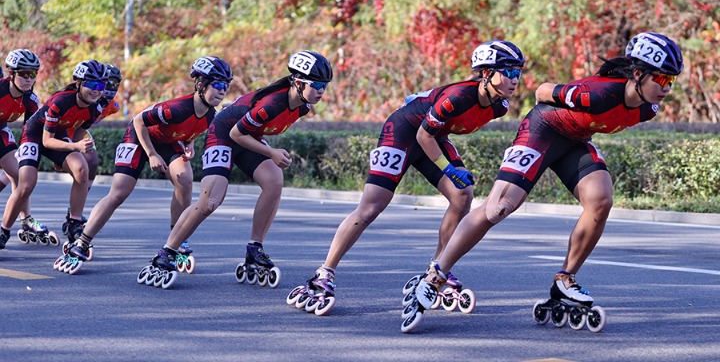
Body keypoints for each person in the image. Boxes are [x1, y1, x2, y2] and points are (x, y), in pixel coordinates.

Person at [405, 32, 684, 333]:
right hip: (542, 131)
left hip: (574, 141)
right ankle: (436, 274)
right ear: (638, 74)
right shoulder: (596, 94)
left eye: (671, 81)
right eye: (662, 80)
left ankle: (566, 279)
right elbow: (542, 91)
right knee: (498, 207)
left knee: (601, 200)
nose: (667, 88)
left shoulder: (647, 109)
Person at [287, 40, 526, 316]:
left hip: (431, 137)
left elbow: (433, 133)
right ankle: (324, 273)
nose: (515, 79)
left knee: (463, 195)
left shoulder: (499, 107)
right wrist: (448, 170)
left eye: (518, 72)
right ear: (486, 73)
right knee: (371, 206)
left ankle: (439, 269)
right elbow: (423, 133)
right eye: (508, 72)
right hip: (402, 131)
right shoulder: (458, 96)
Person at [136, 50, 333, 290]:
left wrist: (267, 151)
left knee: (274, 182)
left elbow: (252, 132)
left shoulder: (302, 106)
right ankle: (166, 252)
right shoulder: (271, 104)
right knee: (211, 201)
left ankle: (255, 249)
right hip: (225, 136)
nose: (322, 90)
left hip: (247, 138)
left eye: (325, 86)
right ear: (298, 83)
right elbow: (235, 133)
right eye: (318, 85)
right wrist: (271, 152)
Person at [53, 56, 232, 275]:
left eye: (226, 86)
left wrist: (189, 143)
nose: (223, 91)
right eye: (218, 85)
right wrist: (152, 154)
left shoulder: (210, 114)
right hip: (139, 138)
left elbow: (191, 128)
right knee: (119, 193)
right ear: (200, 84)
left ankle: (178, 238)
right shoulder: (175, 108)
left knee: (184, 179)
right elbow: (139, 121)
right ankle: (81, 242)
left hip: (166, 142)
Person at [0, 60, 106, 251]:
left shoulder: (96, 106)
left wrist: (68, 153)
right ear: (78, 83)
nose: (96, 90)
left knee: (82, 168)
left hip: (59, 135)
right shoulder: (61, 101)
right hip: (35, 134)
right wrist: (73, 147)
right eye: (91, 84)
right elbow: (46, 141)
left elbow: (80, 129)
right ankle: (4, 230)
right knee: (26, 184)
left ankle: (74, 222)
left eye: (101, 85)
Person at [60, 64, 123, 236]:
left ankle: (74, 210)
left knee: (92, 163)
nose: (111, 88)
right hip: (63, 129)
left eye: (115, 84)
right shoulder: (82, 97)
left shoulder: (113, 106)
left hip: (80, 130)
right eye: (107, 82)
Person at [0, 50, 50, 245]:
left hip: (1, 132)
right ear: (11, 74)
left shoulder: (30, 100)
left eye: (33, 74)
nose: (29, 79)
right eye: (24, 74)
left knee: (20, 175)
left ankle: (25, 219)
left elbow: (30, 130)